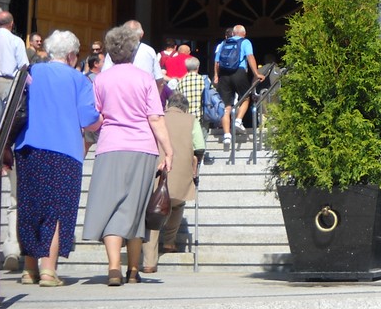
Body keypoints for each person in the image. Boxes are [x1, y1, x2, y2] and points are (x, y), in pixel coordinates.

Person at [83, 24, 173, 286]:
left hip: (110, 146)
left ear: (110, 52)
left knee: (110, 207)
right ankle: (133, 270)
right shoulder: (145, 79)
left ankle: (114, 268)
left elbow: (95, 118)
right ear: (133, 51)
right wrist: (169, 150)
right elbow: (155, 118)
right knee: (136, 208)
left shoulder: (101, 80)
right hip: (142, 147)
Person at [12, 30, 100, 286]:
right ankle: (48, 271)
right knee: (57, 208)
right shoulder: (79, 80)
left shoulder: (32, 72)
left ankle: (29, 269)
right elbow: (88, 119)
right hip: (64, 149)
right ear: (71, 55)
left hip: (29, 146)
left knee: (29, 205)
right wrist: (103, 120)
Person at [141, 91, 202, 273]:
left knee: (153, 213)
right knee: (177, 204)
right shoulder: (191, 120)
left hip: (157, 172)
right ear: (185, 109)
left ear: (167, 105)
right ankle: (169, 242)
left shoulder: (157, 118)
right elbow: (200, 147)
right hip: (181, 172)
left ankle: (149, 262)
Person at [0, 10, 28, 272]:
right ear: (12, 24)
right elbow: (25, 71)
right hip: (9, 90)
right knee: (14, 197)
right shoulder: (16, 42)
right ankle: (12, 246)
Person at [214, 25, 265, 149]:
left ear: (233, 33)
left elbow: (217, 62)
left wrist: (216, 75)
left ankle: (227, 135)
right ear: (244, 33)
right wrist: (256, 73)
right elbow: (250, 57)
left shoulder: (223, 43)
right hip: (239, 73)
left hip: (224, 75)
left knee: (226, 106)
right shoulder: (245, 42)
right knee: (246, 97)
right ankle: (238, 120)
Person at [102, 20, 164, 95]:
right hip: (143, 96)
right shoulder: (149, 51)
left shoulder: (114, 50)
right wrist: (154, 98)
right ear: (142, 34)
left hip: (116, 95)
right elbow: (159, 81)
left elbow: (104, 76)